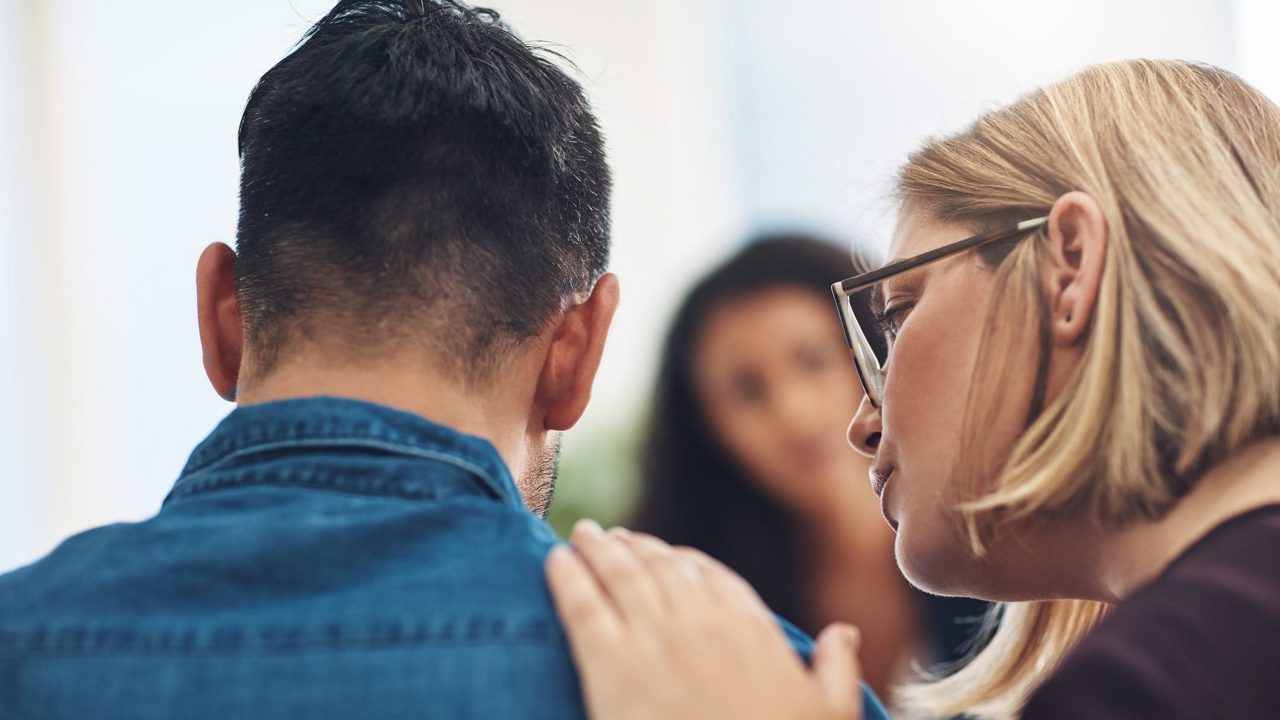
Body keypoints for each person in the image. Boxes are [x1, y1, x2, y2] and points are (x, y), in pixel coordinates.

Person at [544, 58, 1280, 719]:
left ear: (1071, 265)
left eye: (894, 320)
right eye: (744, 391)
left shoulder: (1147, 686)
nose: (858, 423)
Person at [633, 234, 986, 698]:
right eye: (747, 391)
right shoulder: (687, 601)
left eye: (814, 361)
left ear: (882, 351)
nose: (793, 414)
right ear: (706, 428)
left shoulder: (1001, 556)